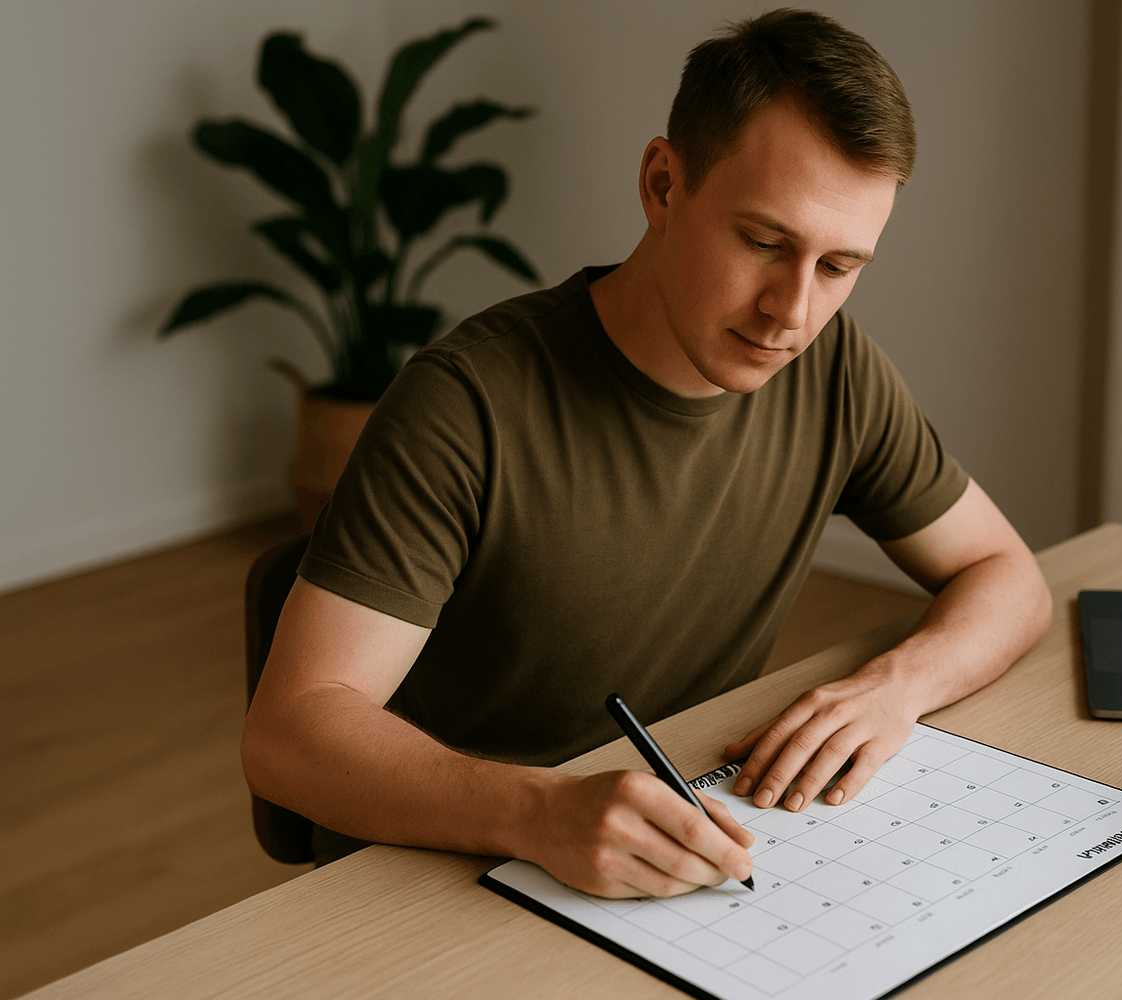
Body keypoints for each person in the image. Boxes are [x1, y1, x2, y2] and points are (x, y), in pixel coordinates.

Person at [241, 8, 1051, 898]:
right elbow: (289, 734)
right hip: (443, 870)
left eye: (838, 267)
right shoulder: (465, 404)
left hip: (674, 847)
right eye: (764, 242)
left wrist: (895, 688)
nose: (792, 313)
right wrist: (541, 812)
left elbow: (1006, 575)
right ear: (664, 185)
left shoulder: (835, 370)